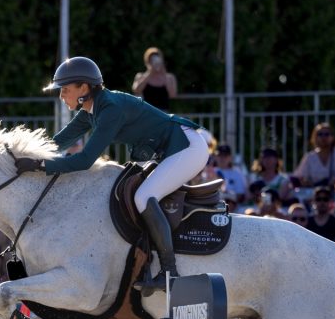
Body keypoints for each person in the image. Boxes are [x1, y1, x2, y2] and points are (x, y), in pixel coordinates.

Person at [15, 57, 208, 293]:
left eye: (65, 90)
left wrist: (40, 166)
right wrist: (23, 155)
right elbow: (59, 142)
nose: (61, 96)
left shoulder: (110, 109)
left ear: (84, 88)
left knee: (143, 197)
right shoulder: (91, 109)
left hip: (186, 147)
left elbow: (85, 160)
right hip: (169, 150)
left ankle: (169, 272)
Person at [293, 123, 335, 191]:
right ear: (314, 137)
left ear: (332, 137)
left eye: (327, 134)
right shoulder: (309, 157)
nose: (323, 137)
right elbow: (299, 177)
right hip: (316, 194)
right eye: (320, 134)